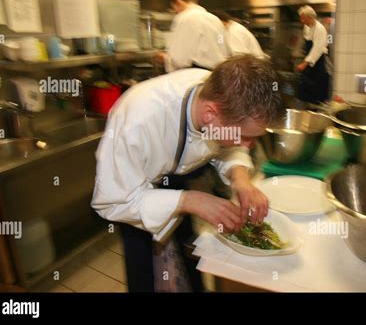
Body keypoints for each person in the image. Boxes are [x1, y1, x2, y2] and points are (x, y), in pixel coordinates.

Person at [91, 55, 283, 292]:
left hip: (176, 177)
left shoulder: (220, 99)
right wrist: (189, 200)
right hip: (133, 190)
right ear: (210, 115)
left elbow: (226, 147)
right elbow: (112, 202)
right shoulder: (136, 121)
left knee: (190, 252)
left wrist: (241, 180)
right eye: (246, 136)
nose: (250, 145)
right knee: (142, 268)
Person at [154, 0, 228, 72]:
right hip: (216, 71)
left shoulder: (185, 17)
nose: (175, 12)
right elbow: (222, 47)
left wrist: (165, 58)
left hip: (195, 72)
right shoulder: (214, 18)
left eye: (174, 8)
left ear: (178, 2)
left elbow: (180, 58)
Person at [295, 5, 330, 103]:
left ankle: (315, 113)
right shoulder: (307, 27)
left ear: (310, 17)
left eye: (303, 18)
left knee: (317, 94)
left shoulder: (320, 29)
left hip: (318, 64)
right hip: (309, 63)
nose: (301, 20)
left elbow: (317, 49)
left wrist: (304, 64)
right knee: (304, 91)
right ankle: (306, 111)